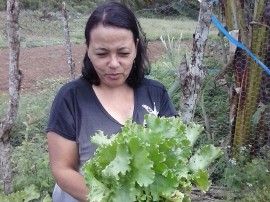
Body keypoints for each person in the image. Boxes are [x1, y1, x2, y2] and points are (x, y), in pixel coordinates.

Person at [46, 1, 178, 202]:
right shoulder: (71, 98)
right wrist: (110, 198)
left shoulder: (155, 93)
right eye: (102, 53)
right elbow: (63, 169)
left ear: (136, 46)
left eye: (123, 53)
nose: (114, 64)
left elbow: (173, 156)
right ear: (88, 49)